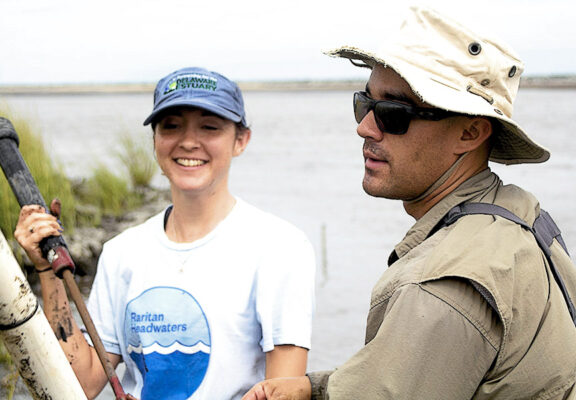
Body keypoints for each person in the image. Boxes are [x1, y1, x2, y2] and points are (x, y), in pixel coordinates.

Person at [242, 6, 576, 400]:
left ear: (470, 132)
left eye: (393, 113)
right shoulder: (517, 214)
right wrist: (313, 388)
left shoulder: (443, 284)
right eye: (365, 104)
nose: (365, 127)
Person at [15, 66, 316, 400]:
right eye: (171, 126)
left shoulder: (281, 247)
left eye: (210, 127)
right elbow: (82, 384)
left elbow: (285, 391)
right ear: (155, 140)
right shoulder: (121, 252)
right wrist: (48, 270)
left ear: (240, 140)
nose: (188, 141)